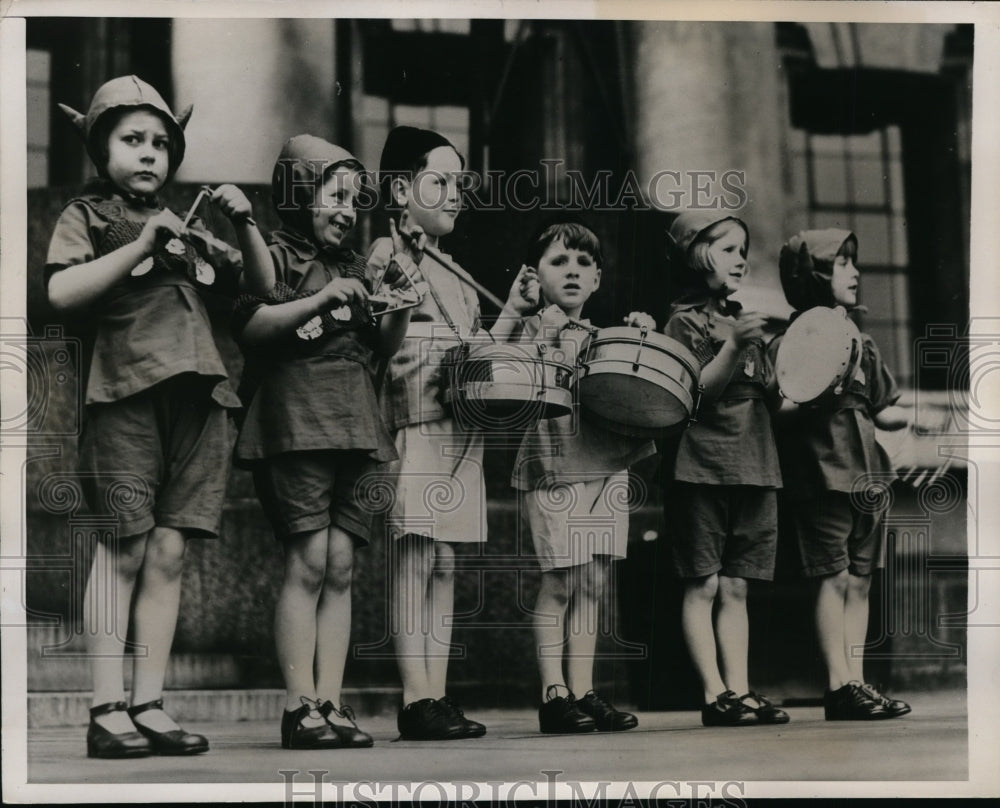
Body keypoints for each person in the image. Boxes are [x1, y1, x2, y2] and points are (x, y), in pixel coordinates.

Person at [45, 75, 273, 758]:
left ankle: (149, 703)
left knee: (169, 553)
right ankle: (105, 708)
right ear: (100, 147)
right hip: (125, 396)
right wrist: (142, 245)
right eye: (132, 139)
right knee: (124, 550)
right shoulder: (87, 217)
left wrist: (245, 221)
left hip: (201, 400)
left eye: (160, 143)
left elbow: (260, 291)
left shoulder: (192, 229)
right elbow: (59, 290)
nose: (149, 153)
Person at [233, 135, 423, 749]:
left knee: (341, 567)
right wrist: (320, 298)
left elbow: (381, 349)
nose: (347, 209)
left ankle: (332, 702)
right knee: (308, 561)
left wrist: (399, 304)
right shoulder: (275, 254)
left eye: (354, 200)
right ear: (297, 194)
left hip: (355, 424)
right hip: (295, 422)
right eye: (333, 194)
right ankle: (298, 706)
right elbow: (253, 327)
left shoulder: (353, 267)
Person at [369, 126, 523, 740]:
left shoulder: (457, 274)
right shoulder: (386, 256)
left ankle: (438, 693)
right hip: (418, 424)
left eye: (459, 183)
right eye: (440, 181)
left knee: (445, 563)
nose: (455, 194)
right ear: (402, 190)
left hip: (463, 431)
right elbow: (385, 339)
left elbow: (478, 355)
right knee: (416, 556)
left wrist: (513, 309)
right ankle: (415, 698)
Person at [491, 219, 655, 733]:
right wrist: (532, 328)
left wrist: (640, 339)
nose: (573, 271)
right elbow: (495, 377)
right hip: (555, 462)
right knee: (560, 579)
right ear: (534, 274)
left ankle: (584, 690)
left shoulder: (606, 337)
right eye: (559, 261)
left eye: (585, 263)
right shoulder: (526, 327)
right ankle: (553, 692)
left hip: (606, 463)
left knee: (594, 580)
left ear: (599, 280)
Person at [772, 228, 911, 721]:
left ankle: (857, 681)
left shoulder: (863, 340)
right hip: (822, 472)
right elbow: (784, 405)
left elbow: (880, 406)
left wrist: (913, 417)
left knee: (860, 580)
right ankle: (838, 684)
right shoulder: (798, 337)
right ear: (814, 275)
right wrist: (820, 391)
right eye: (842, 264)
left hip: (868, 474)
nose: (855, 273)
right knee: (832, 578)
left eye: (854, 263)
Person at [662, 210, 789, 727]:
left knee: (737, 586)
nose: (741, 259)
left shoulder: (742, 319)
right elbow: (696, 392)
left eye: (743, 249)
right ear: (698, 254)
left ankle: (739, 689)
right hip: (702, 467)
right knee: (704, 584)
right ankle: (715, 693)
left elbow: (773, 400)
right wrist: (736, 343)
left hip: (756, 465)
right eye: (730, 248)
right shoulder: (683, 320)